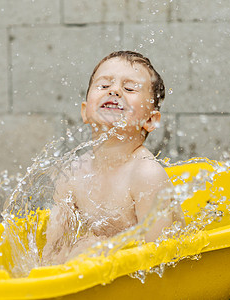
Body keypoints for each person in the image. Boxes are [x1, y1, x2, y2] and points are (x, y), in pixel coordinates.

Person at [42, 51, 184, 265]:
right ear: (85, 111)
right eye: (104, 86)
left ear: (151, 120)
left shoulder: (146, 175)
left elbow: (161, 258)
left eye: (129, 88)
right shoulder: (73, 173)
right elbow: (52, 251)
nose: (115, 91)